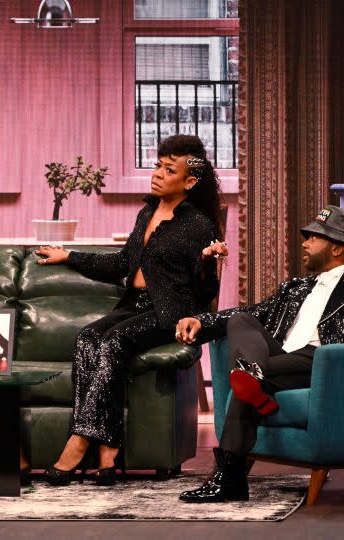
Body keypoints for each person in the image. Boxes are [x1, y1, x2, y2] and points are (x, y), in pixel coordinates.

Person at [174, 205, 344, 503]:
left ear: (338, 248)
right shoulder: (295, 287)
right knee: (242, 322)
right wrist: (202, 321)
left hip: (327, 363)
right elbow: (253, 313)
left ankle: (230, 478)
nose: (304, 243)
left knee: (244, 379)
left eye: (314, 237)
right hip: (279, 360)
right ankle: (252, 375)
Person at [34, 135, 226, 486]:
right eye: (158, 165)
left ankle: (78, 444)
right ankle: (107, 450)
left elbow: (205, 294)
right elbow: (122, 263)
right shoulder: (147, 212)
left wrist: (204, 264)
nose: (157, 173)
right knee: (87, 338)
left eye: (169, 170)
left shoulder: (198, 224)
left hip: (169, 310)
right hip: (134, 306)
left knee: (113, 342)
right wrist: (69, 256)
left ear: (189, 181)